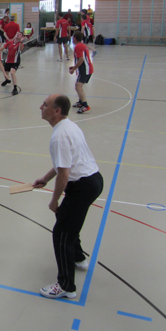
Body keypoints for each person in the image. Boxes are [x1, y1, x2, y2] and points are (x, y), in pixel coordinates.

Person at [33, 94, 103, 299]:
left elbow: (64, 174)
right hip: (94, 180)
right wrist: (45, 179)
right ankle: (79, 258)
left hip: (82, 186)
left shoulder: (59, 137)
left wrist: (54, 201)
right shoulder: (69, 126)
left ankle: (66, 286)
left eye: (45, 105)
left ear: (56, 111)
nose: (40, 107)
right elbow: (64, 164)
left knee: (61, 232)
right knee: (69, 221)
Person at [70, 31, 94, 114]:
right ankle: (81, 102)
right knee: (78, 86)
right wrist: (74, 67)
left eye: (72, 38)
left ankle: (85, 105)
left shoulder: (78, 46)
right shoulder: (82, 45)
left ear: (75, 38)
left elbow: (81, 59)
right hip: (85, 69)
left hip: (85, 70)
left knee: (78, 87)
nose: (72, 39)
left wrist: (74, 69)